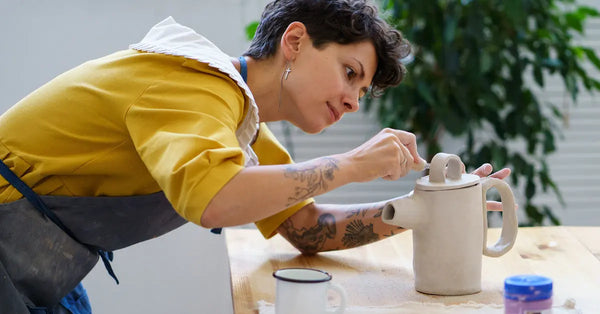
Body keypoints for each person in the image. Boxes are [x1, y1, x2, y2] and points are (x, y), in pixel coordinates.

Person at [0, 0, 512, 313]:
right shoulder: (194, 87)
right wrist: (355, 164)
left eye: (363, 91)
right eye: (350, 72)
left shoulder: (241, 122)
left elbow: (307, 227)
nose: (355, 99)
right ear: (294, 41)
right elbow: (217, 200)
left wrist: (427, 209)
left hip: (39, 275)